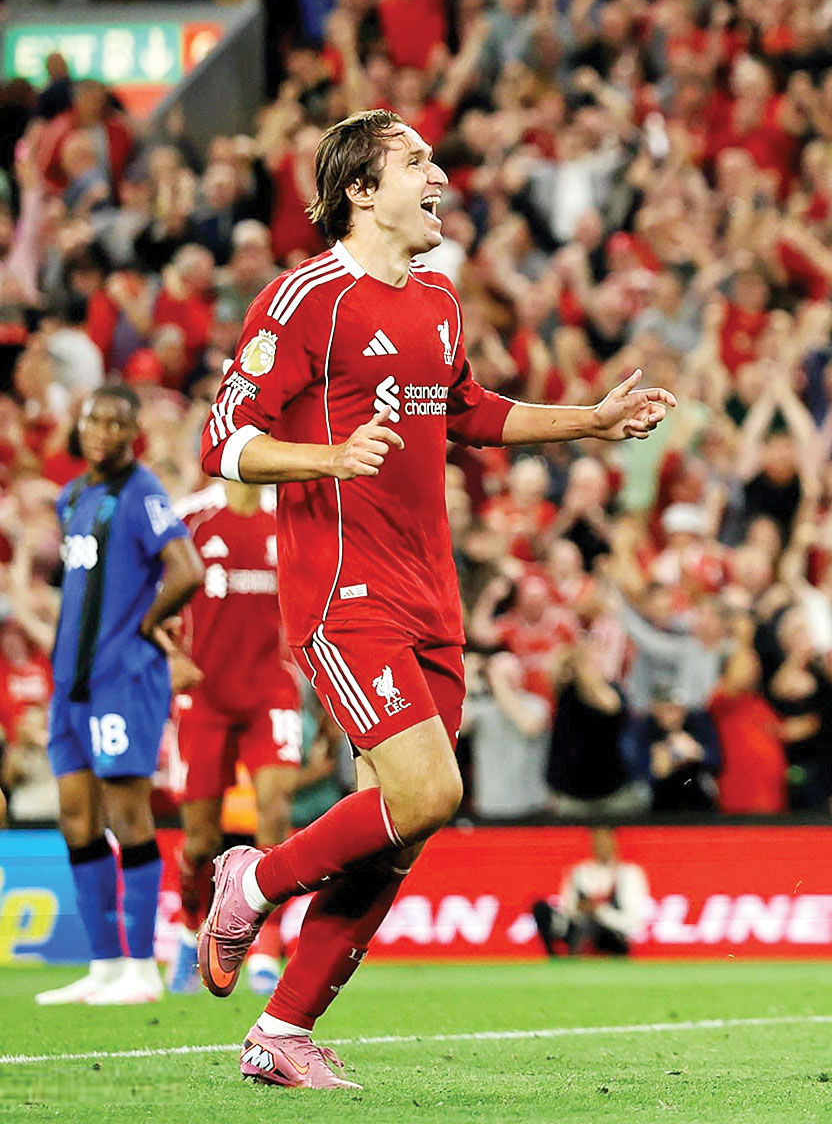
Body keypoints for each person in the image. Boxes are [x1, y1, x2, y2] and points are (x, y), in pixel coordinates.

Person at [193, 109, 676, 1089]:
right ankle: (254, 877)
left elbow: (468, 411)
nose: (439, 176)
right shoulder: (305, 297)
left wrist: (590, 419)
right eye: (415, 161)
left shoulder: (439, 299)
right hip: (343, 586)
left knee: (405, 823)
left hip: (431, 591)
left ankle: (282, 1031)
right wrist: (327, 457)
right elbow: (223, 439)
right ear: (361, 190)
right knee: (428, 794)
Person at [35, 384, 204, 1007]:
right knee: (76, 817)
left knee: (127, 816)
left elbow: (187, 570)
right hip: (70, 684)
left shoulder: (142, 492)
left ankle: (141, 969)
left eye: (115, 422)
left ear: (134, 433)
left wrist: (143, 625)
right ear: (78, 427)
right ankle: (105, 966)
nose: (102, 431)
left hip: (122, 680)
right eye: (93, 420)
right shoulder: (72, 496)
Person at [167, 479, 302, 998]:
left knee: (275, 812)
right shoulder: (190, 518)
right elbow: (138, 594)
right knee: (201, 840)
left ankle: (265, 947)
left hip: (272, 687)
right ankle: (188, 930)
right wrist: (169, 654)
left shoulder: (287, 518)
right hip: (204, 694)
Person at [531, 828, 650, 957]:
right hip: (580, 927)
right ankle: (554, 956)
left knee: (597, 928)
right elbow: (567, 907)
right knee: (541, 909)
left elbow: (634, 917)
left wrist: (599, 911)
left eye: (605, 841)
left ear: (614, 843)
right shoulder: (579, 872)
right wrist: (580, 908)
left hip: (612, 933)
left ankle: (583, 948)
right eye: (597, 842)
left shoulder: (628, 873)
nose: (601, 846)